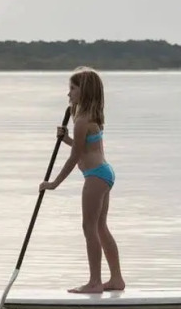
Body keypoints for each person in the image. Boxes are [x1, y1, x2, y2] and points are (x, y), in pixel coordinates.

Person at [40, 67, 125, 293]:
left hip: (96, 177)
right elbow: (85, 148)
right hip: (105, 173)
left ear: (83, 92)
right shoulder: (90, 118)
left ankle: (95, 282)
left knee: (89, 227)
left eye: (72, 89)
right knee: (100, 227)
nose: (68, 94)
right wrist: (66, 138)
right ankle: (116, 280)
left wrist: (53, 184)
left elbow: (75, 157)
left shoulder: (81, 121)